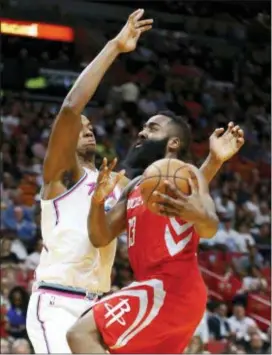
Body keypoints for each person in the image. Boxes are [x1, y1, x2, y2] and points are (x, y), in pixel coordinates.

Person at [26, 9, 153, 354]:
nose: (86, 127)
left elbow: (148, 166)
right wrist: (114, 46)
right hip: (55, 304)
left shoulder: (114, 182)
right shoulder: (59, 178)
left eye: (90, 125)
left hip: (97, 309)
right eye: (79, 127)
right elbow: (70, 106)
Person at [66, 111, 245, 354]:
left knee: (80, 334)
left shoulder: (187, 175)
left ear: (173, 142)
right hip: (157, 290)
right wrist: (97, 203)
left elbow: (210, 227)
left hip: (172, 288)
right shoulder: (135, 185)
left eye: (152, 128)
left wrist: (198, 211)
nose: (142, 132)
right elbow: (100, 236)